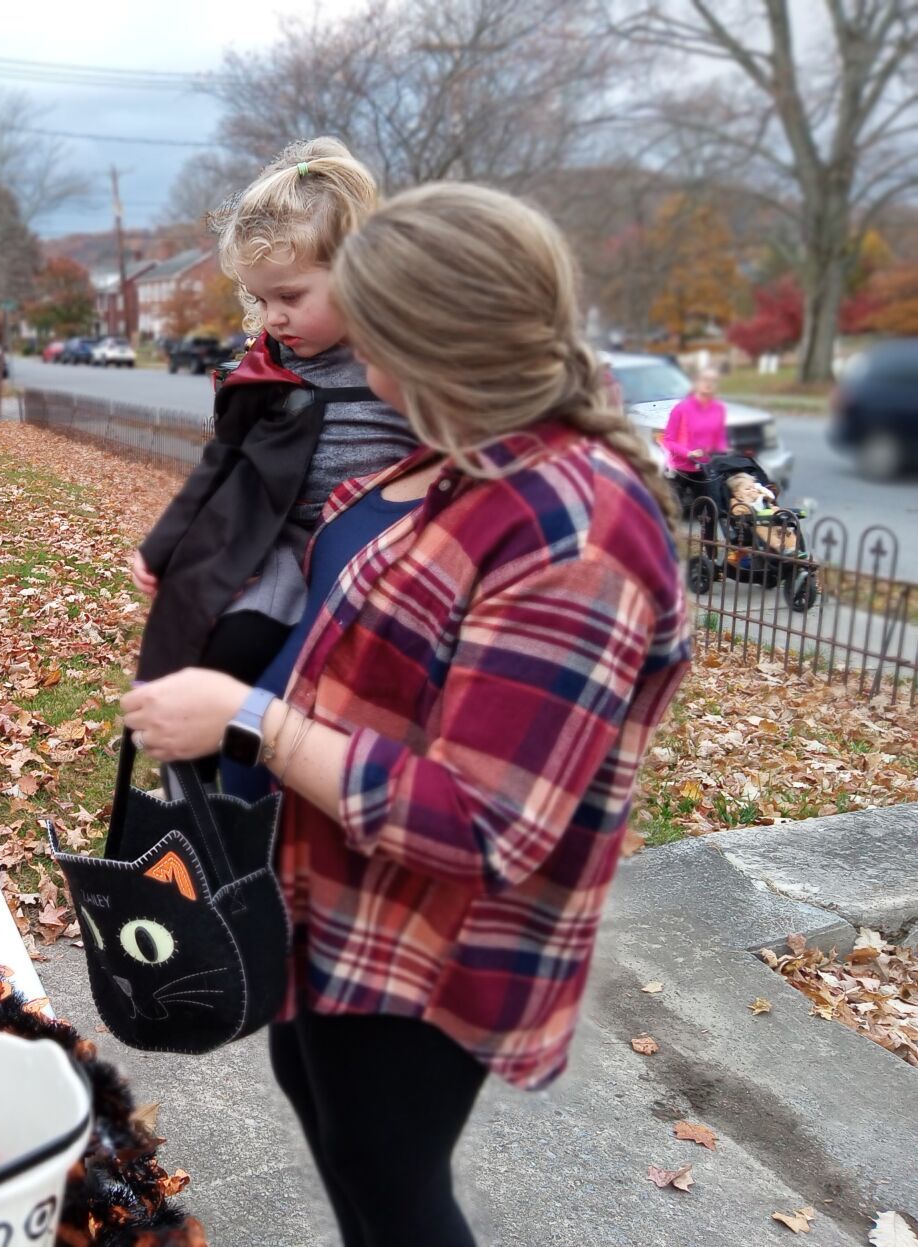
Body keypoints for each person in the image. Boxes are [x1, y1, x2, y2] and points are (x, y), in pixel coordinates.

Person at [122, 183, 692, 1246]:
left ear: (437, 342)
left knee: (393, 1181)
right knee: (329, 1118)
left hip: (434, 947)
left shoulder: (576, 533)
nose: (356, 366)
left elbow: (484, 820)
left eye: (375, 337)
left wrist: (248, 720)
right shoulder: (454, 453)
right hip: (339, 899)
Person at [130, 139, 418, 711]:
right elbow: (224, 460)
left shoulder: (405, 362)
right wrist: (163, 548)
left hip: (382, 550)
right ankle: (206, 789)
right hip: (281, 545)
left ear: (362, 272)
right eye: (262, 300)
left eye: (290, 295)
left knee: (354, 685)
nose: (275, 317)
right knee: (229, 653)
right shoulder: (271, 368)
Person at [661, 366, 728, 474]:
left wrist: (723, 450)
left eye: (713, 381)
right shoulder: (681, 408)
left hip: (709, 468)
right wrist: (689, 453)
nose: (709, 383)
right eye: (705, 379)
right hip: (683, 470)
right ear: (696, 382)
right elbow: (668, 441)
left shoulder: (719, 408)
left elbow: (719, 438)